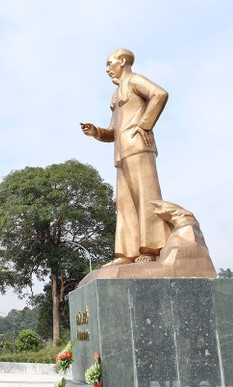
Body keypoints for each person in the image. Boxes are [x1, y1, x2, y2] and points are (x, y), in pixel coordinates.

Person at [81, 48, 170, 265]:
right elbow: (113, 131)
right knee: (124, 203)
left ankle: (151, 249)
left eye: (110, 63)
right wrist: (97, 132)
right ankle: (128, 253)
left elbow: (159, 94)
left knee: (145, 197)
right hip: (121, 152)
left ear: (122, 61)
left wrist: (144, 124)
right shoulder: (116, 93)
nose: (107, 69)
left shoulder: (135, 80)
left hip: (138, 145)